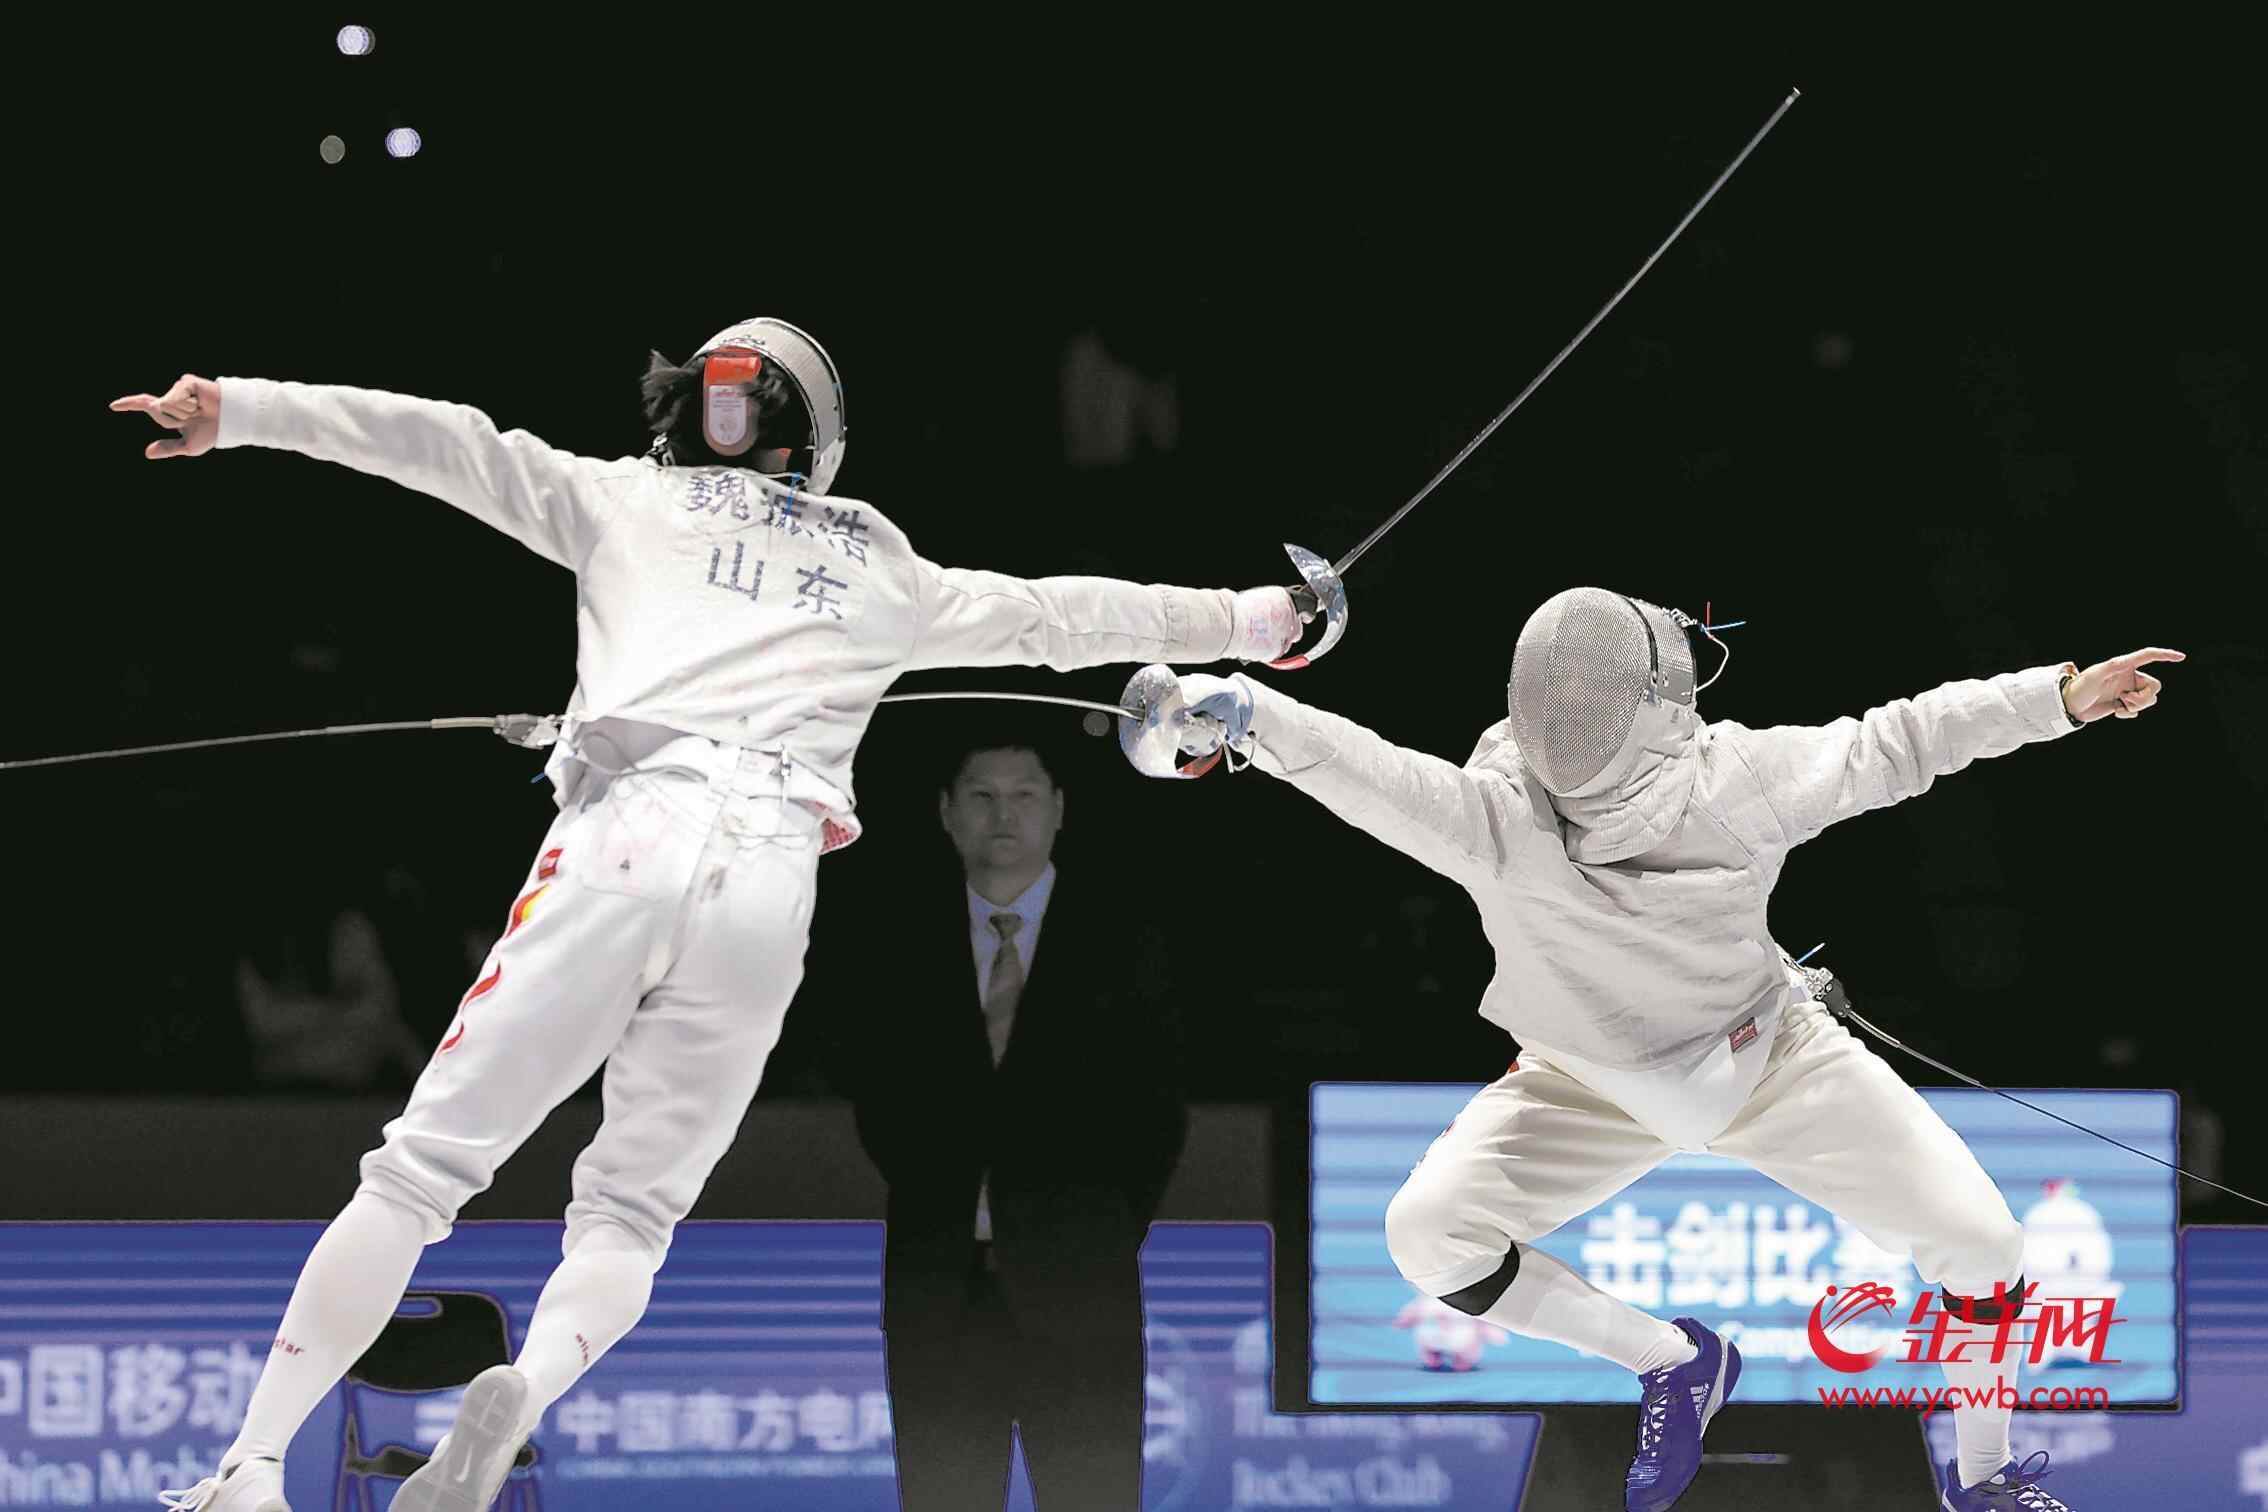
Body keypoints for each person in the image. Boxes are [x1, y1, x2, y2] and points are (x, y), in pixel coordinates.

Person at [114, 317, 1301, 1512]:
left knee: (420, 1176)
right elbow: (1063, 616)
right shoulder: (878, 557)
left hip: (626, 836)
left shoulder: (624, 499)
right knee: (630, 1215)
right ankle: (526, 1385)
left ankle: (250, 1468)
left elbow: (443, 443)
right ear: (816, 442)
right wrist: (1253, 620)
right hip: (769, 883)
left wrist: (244, 409)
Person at [1138, 587, 2178, 1511]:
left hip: (1771, 1058)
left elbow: (1898, 742)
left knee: (1984, 1246)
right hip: (1588, 1080)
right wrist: (1248, 712)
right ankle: (1674, 1362)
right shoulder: (1512, 809)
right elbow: (1364, 770)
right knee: (1431, 1236)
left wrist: (1246, 709)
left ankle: (1982, 1477)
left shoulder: (1689, 788)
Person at [806, 731, 1186, 1511]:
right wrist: (944, 1191)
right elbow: (874, 1095)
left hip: (1081, 1286)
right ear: (948, 813)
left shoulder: (1124, 937)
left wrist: (1095, 1229)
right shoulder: (897, 940)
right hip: (937, 1289)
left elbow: (1156, 1115)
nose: (1003, 815)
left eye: (1023, 795)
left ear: (1058, 810)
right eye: (982, 796)